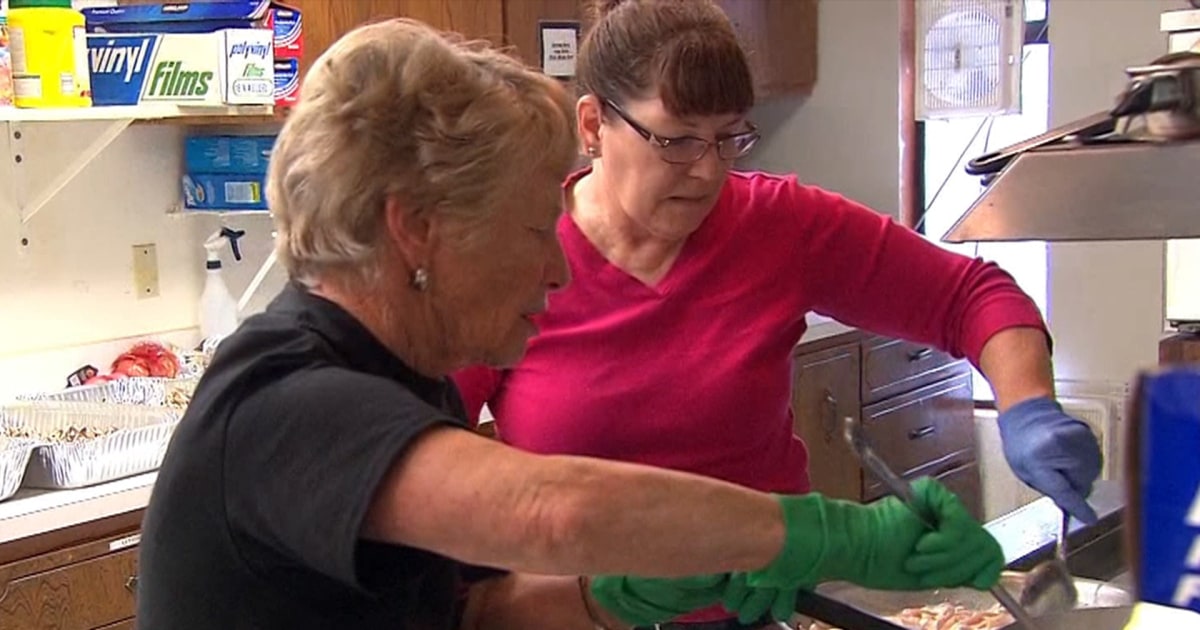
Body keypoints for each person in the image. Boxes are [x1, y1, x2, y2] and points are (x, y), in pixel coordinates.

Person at [134, 17, 1004, 630]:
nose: (555, 266)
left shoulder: (408, 378)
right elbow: (546, 510)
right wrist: (832, 536)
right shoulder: (288, 397)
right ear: (416, 229)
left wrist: (617, 593)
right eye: (526, 231)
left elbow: (472, 613)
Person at [452, 0, 1104, 627]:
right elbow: (418, 456)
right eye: (676, 141)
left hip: (766, 614)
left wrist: (1029, 410)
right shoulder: (519, 258)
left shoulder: (778, 226)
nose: (708, 170)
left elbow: (971, 296)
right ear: (593, 125)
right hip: (572, 618)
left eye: (728, 137)